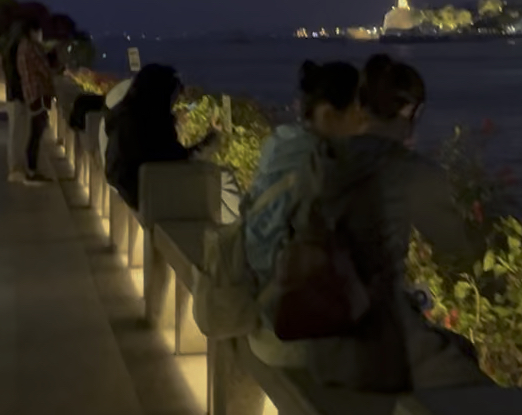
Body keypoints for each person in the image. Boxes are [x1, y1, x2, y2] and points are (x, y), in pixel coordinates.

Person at [288, 53, 488, 392]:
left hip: (315, 343)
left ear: (361, 106)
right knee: (480, 387)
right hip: (375, 348)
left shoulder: (318, 160)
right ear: (411, 112)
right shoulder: (409, 170)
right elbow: (461, 251)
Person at [242, 60, 363, 367]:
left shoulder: (279, 144)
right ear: (327, 115)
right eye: (358, 114)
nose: (364, 126)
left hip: (262, 316)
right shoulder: (325, 166)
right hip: (296, 335)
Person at [104, 64, 218, 210]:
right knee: (217, 177)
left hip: (124, 185)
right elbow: (180, 159)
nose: (174, 102)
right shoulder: (150, 127)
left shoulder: (125, 116)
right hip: (146, 195)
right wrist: (213, 138)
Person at [15, 18, 55, 184]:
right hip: (38, 93)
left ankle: (31, 168)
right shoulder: (31, 48)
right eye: (38, 31)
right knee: (37, 132)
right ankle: (32, 170)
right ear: (32, 32)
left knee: (35, 131)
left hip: (31, 94)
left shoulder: (22, 47)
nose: (40, 35)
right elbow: (44, 69)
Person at [3, 22, 30, 181]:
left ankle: (16, 167)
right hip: (17, 96)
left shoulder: (10, 49)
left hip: (13, 95)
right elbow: (17, 75)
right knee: (17, 133)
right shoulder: (16, 50)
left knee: (16, 133)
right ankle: (15, 169)